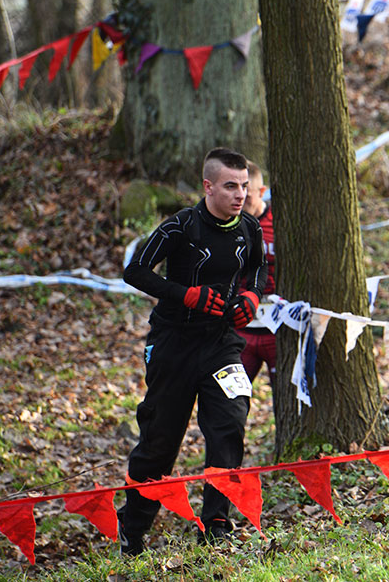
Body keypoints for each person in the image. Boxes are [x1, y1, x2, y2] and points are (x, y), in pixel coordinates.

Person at [118, 147, 267, 555]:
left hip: (221, 345)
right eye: (231, 186)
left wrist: (252, 296)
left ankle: (216, 523)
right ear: (208, 187)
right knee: (161, 442)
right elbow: (134, 271)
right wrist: (186, 295)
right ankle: (132, 526)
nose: (240, 194)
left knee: (229, 425)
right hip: (173, 346)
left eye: (244, 186)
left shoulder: (249, 228)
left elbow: (256, 268)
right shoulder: (180, 226)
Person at [237, 162, 278, 391]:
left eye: (248, 198)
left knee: (287, 402)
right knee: (231, 402)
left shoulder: (279, 223)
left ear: (262, 192)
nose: (241, 205)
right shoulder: (228, 224)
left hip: (277, 331)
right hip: (241, 332)